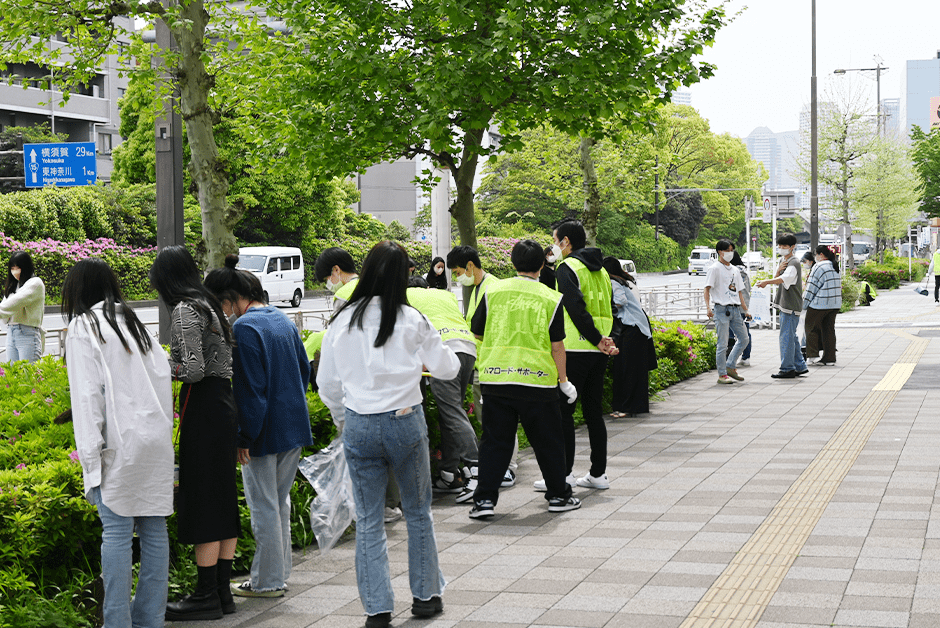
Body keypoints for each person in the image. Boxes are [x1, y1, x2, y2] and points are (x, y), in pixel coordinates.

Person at [317, 241, 459, 628]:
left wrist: (342, 417)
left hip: (359, 424)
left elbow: (326, 383)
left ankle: (377, 610)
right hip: (405, 421)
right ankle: (426, 597)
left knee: (368, 520)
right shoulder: (412, 319)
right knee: (418, 513)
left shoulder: (342, 321)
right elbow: (446, 369)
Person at [62, 258, 173, 628]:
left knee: (117, 533)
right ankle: (149, 621)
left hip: (120, 445)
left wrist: (91, 462)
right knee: (155, 532)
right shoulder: (135, 323)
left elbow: (87, 398)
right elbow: (161, 379)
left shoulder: (84, 325)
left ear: (77, 291)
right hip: (155, 441)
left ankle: (117, 623)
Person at [204, 256, 313, 598]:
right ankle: (278, 575)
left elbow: (250, 391)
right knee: (278, 503)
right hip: (293, 425)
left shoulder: (244, 329)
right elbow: (304, 370)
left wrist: (243, 437)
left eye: (220, 305)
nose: (222, 313)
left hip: (264, 432)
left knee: (264, 506)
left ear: (230, 299)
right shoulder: (282, 319)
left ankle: (267, 581)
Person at [149, 246, 240, 621]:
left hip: (203, 407)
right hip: (223, 405)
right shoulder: (210, 305)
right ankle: (221, 592)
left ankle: (205, 596)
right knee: (222, 497)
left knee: (203, 498)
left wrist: (158, 363)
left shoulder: (186, 309)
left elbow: (193, 369)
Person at [467, 239, 581, 519]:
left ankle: (484, 501)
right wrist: (563, 381)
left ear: (513, 263)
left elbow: (478, 333)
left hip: (496, 378)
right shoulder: (549, 297)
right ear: (542, 265)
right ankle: (558, 495)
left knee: (495, 442)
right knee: (548, 441)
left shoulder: (493, 292)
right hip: (537, 381)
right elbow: (557, 346)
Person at [548, 218, 618, 491]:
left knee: (564, 413)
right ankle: (598, 474)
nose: (554, 246)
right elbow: (610, 307)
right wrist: (607, 341)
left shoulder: (567, 268)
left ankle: (563, 475)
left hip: (575, 349)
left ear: (566, 241)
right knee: (593, 413)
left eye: (555, 240)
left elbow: (575, 308)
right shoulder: (600, 271)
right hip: (599, 351)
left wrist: (596, 339)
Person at [446, 246, 517, 488]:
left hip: (493, 363)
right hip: (483, 363)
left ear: (469, 265)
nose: (457, 278)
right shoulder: (479, 288)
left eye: (457, 272)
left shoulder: (492, 287)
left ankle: (508, 467)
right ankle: (502, 465)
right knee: (488, 418)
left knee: (498, 418)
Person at [406, 279, 480, 499]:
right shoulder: (443, 294)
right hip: (467, 348)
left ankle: (477, 470)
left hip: (444, 349)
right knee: (452, 410)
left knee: (451, 413)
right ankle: (449, 473)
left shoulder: (406, 295)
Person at [602, 257, 656, 418]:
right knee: (633, 370)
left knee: (626, 369)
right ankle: (632, 407)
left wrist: (605, 310)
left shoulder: (614, 282)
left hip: (632, 328)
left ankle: (625, 408)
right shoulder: (625, 281)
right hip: (638, 329)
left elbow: (620, 301)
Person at [756, 234, 808, 379]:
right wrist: (778, 270)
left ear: (792, 247)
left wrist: (766, 281)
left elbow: (784, 280)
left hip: (791, 305)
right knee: (790, 336)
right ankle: (799, 366)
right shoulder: (784, 261)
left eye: (784, 246)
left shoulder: (794, 262)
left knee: (786, 337)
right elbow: (778, 276)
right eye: (780, 246)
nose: (781, 248)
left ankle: (787, 368)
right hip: (787, 304)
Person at [703, 240, 751, 385]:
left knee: (744, 338)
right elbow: (707, 289)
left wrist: (745, 310)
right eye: (727, 250)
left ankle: (730, 366)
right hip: (721, 309)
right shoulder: (715, 268)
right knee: (722, 344)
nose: (730, 253)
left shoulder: (736, 270)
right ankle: (722, 374)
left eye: (732, 250)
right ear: (720, 252)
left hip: (735, 309)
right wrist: (708, 307)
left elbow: (740, 292)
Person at [0, 251, 45, 363]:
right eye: (12, 268)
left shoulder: (35, 283)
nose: (14, 271)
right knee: (13, 375)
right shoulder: (14, 286)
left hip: (27, 334)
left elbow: (12, 304)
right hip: (11, 332)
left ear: (25, 268)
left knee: (28, 376)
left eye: (17, 268)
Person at [803, 245, 841, 366]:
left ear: (821, 255)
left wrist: (804, 304)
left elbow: (812, 287)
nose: (815, 257)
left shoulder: (819, 266)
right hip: (834, 304)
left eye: (816, 255)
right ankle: (830, 358)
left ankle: (812, 356)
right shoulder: (834, 265)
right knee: (829, 330)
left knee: (811, 328)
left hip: (820, 303)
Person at [729, 249, 753, 367]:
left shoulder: (732, 271)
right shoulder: (743, 271)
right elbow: (747, 289)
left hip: (734, 306)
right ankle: (746, 357)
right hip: (745, 306)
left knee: (730, 333)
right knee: (745, 332)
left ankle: (731, 357)